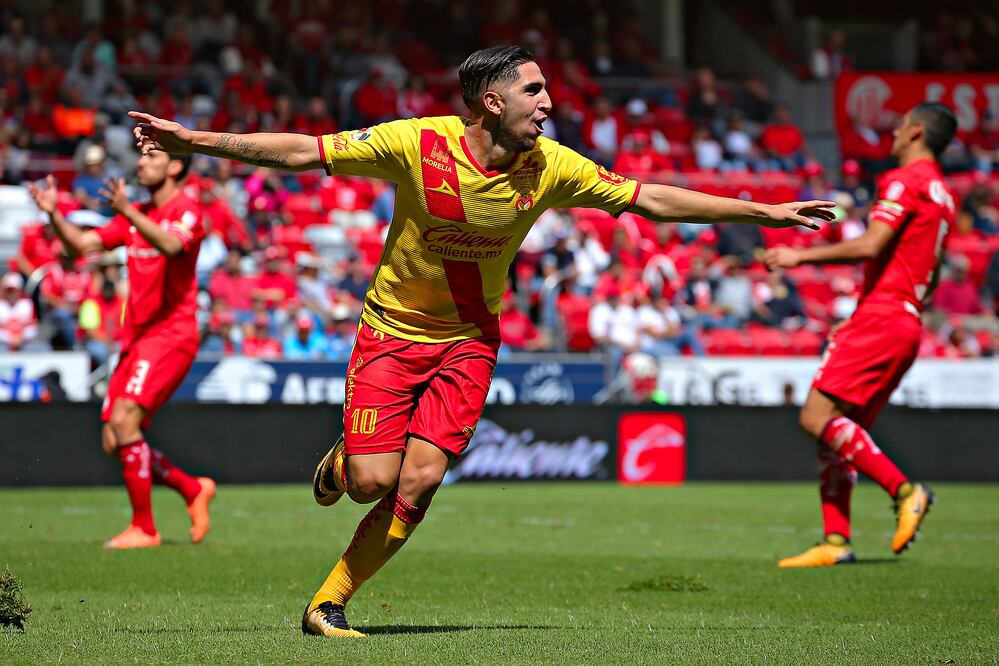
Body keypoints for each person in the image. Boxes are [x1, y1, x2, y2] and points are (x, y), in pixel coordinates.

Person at [129, 45, 833, 637]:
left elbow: (649, 197)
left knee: (420, 480)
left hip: (469, 342)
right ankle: (344, 464)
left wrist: (762, 212)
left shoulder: (552, 166)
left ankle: (329, 603)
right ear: (491, 103)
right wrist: (197, 142)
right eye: (534, 91)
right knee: (371, 482)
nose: (548, 103)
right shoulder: (416, 143)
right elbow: (303, 152)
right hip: (392, 332)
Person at [765, 103, 958, 568]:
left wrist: (799, 257)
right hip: (905, 319)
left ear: (916, 131)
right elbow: (928, 274)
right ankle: (836, 541)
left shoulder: (904, 180)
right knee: (838, 431)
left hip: (883, 316)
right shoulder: (944, 194)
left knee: (815, 418)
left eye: (899, 126)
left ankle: (905, 491)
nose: (893, 134)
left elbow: (872, 245)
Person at [27, 150, 216, 550]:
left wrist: (128, 210)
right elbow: (80, 245)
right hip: (136, 339)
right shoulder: (137, 214)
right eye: (141, 157)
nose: (141, 163)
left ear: (175, 166)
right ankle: (192, 488)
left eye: (152, 155)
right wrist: (53, 214)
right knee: (114, 440)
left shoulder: (186, 210)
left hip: (171, 334)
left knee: (125, 421)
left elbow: (171, 245)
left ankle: (144, 528)